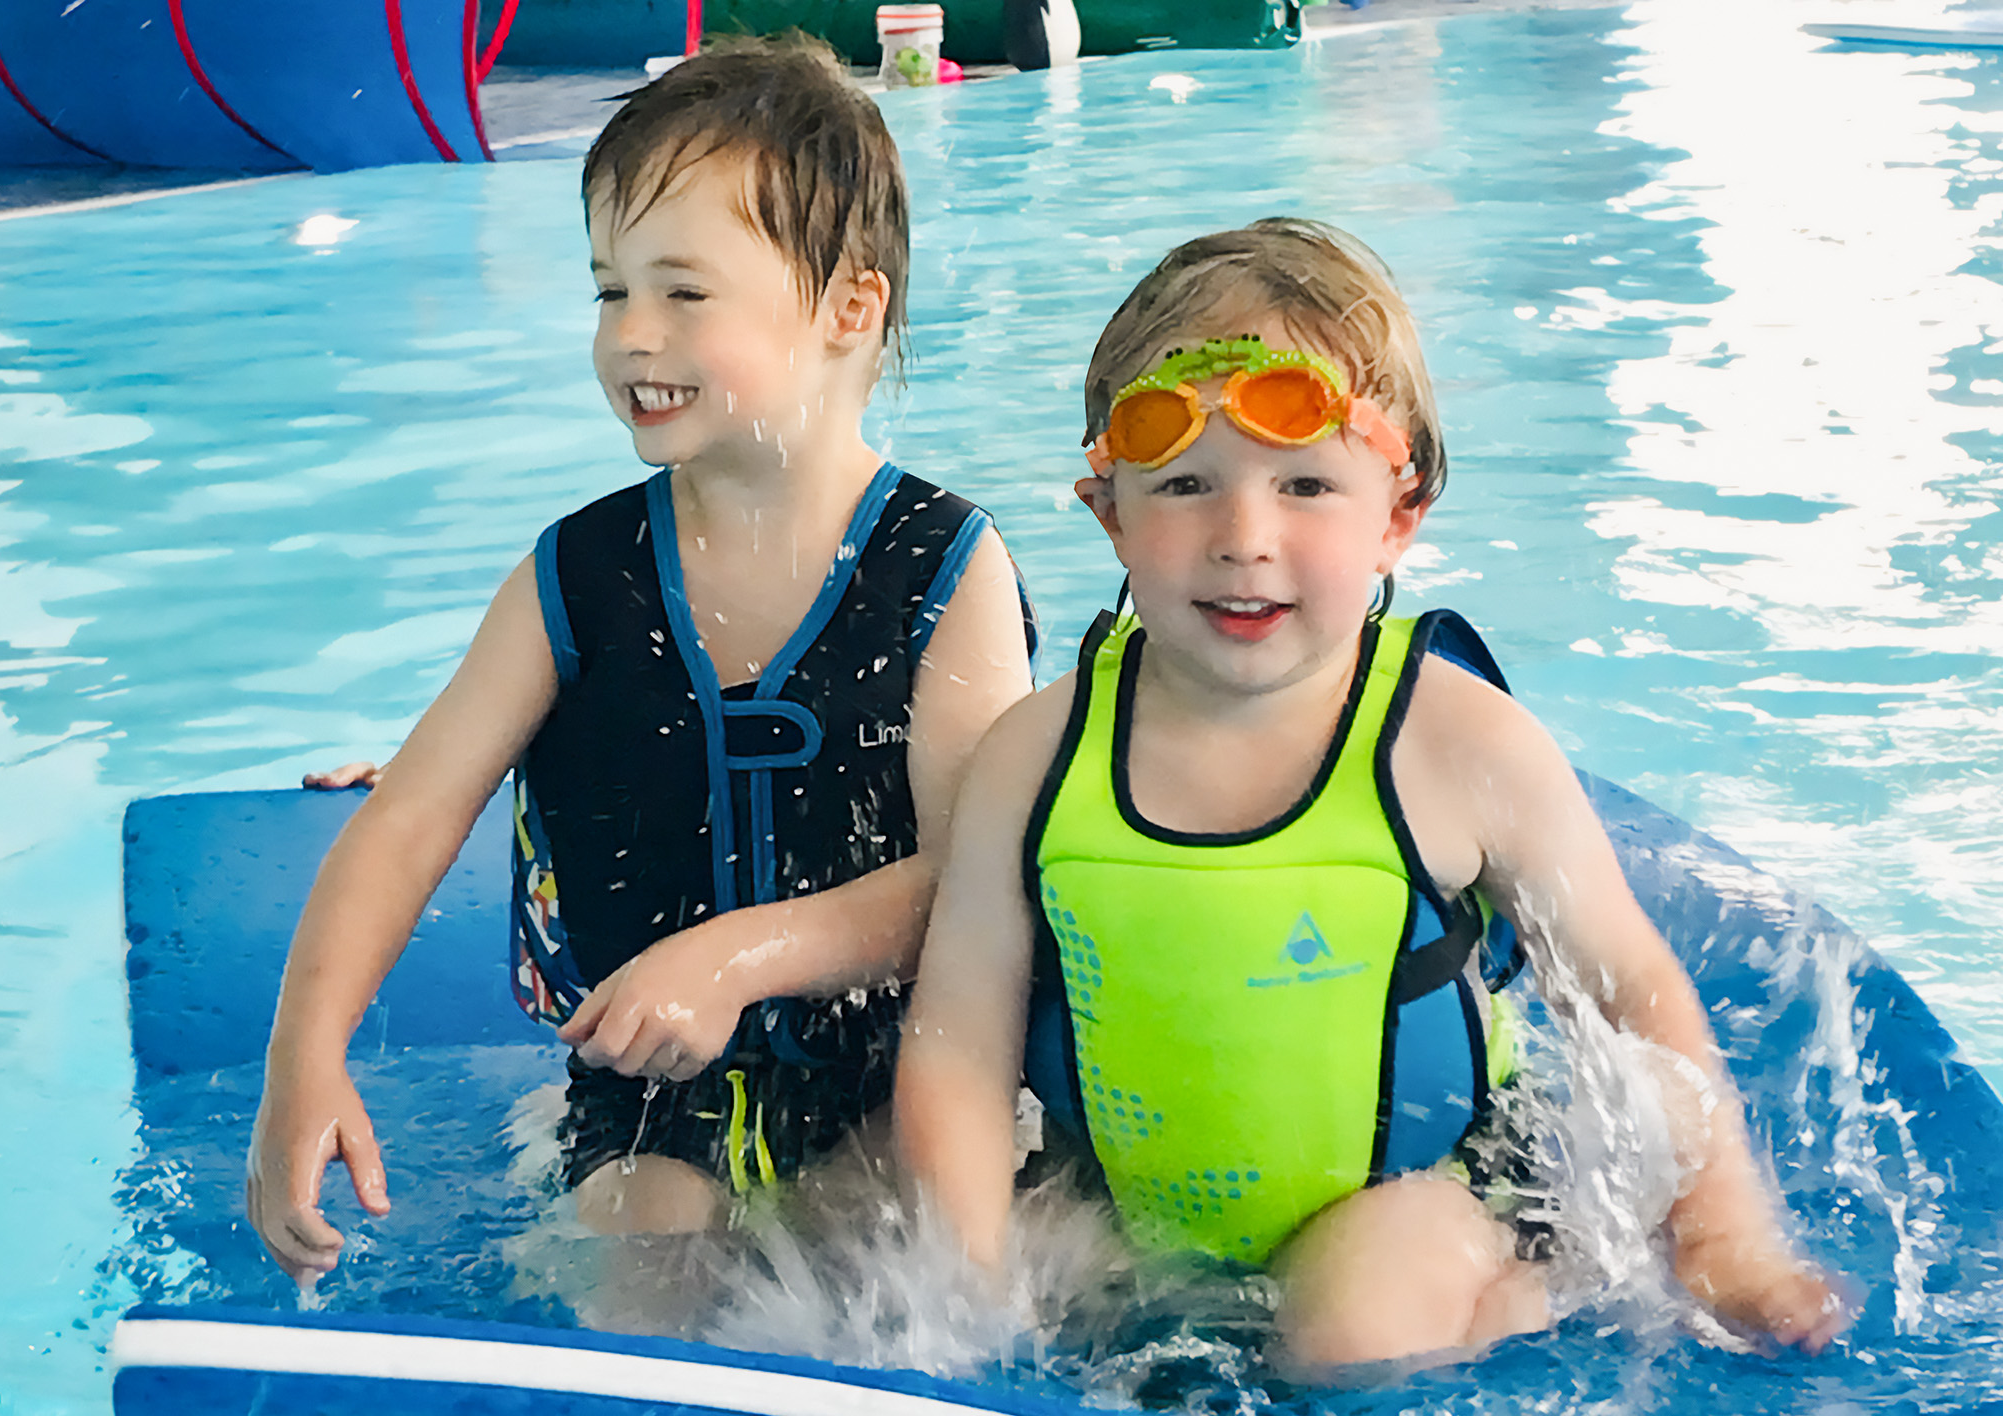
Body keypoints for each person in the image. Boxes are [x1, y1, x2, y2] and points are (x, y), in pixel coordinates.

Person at [894, 218, 1847, 1371]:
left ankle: (1517, 1289)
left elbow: (1627, 991)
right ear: (1110, 515)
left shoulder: (1457, 745)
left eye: (1304, 485)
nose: (1243, 540)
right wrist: (962, 1293)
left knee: (1354, 1331)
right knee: (948, 1268)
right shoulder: (1034, 757)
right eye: (1185, 485)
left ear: (1396, 515)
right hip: (1132, 1212)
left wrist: (1723, 1240)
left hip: (1417, 1201)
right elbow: (957, 1042)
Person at [248, 36, 1034, 1285]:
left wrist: (733, 957)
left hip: (906, 1092)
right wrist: (306, 1059)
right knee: (636, 1264)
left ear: (847, 309)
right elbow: (410, 821)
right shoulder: (572, 578)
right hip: (648, 1112)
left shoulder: (945, 569)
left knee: (925, 1266)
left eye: (683, 292)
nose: (631, 336)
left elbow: (970, 884)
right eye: (610, 291)